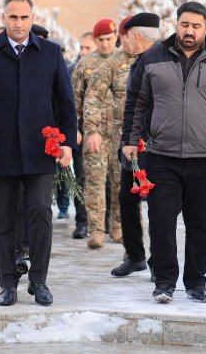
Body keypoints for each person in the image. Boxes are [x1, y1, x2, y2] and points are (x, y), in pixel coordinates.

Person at [123, 1, 206, 304]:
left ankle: (196, 282)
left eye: (196, 26)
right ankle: (165, 281)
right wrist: (130, 139)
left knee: (201, 223)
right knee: (161, 221)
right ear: (176, 24)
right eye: (184, 24)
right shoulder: (153, 57)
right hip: (162, 155)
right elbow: (136, 101)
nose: (189, 31)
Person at [0, 0, 77, 307]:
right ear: (3, 18)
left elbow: (66, 102)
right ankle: (7, 283)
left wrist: (66, 143)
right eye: (13, 17)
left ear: (33, 18)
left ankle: (39, 281)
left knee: (40, 212)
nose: (19, 23)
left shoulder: (50, 53)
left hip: (41, 151)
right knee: (3, 219)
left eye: (25, 17)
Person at [113, 13, 160, 278]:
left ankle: (158, 260)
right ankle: (135, 255)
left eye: (126, 38)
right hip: (133, 142)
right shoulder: (139, 62)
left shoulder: (160, 60)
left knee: (156, 202)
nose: (125, 45)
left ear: (135, 36)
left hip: (154, 144)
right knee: (127, 197)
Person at [72, 19, 118, 249]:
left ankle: (118, 228)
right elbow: (75, 100)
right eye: (100, 40)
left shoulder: (127, 61)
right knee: (94, 184)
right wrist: (76, 129)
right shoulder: (85, 64)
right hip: (94, 134)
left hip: (120, 135)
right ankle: (96, 231)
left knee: (121, 184)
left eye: (109, 39)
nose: (105, 44)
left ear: (116, 37)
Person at [57, 31, 95, 233]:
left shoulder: (109, 67)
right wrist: (73, 130)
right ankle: (82, 222)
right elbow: (69, 104)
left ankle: (104, 222)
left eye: (88, 47)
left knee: (104, 181)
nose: (83, 52)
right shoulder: (72, 69)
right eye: (81, 47)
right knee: (80, 177)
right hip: (80, 133)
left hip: (104, 132)